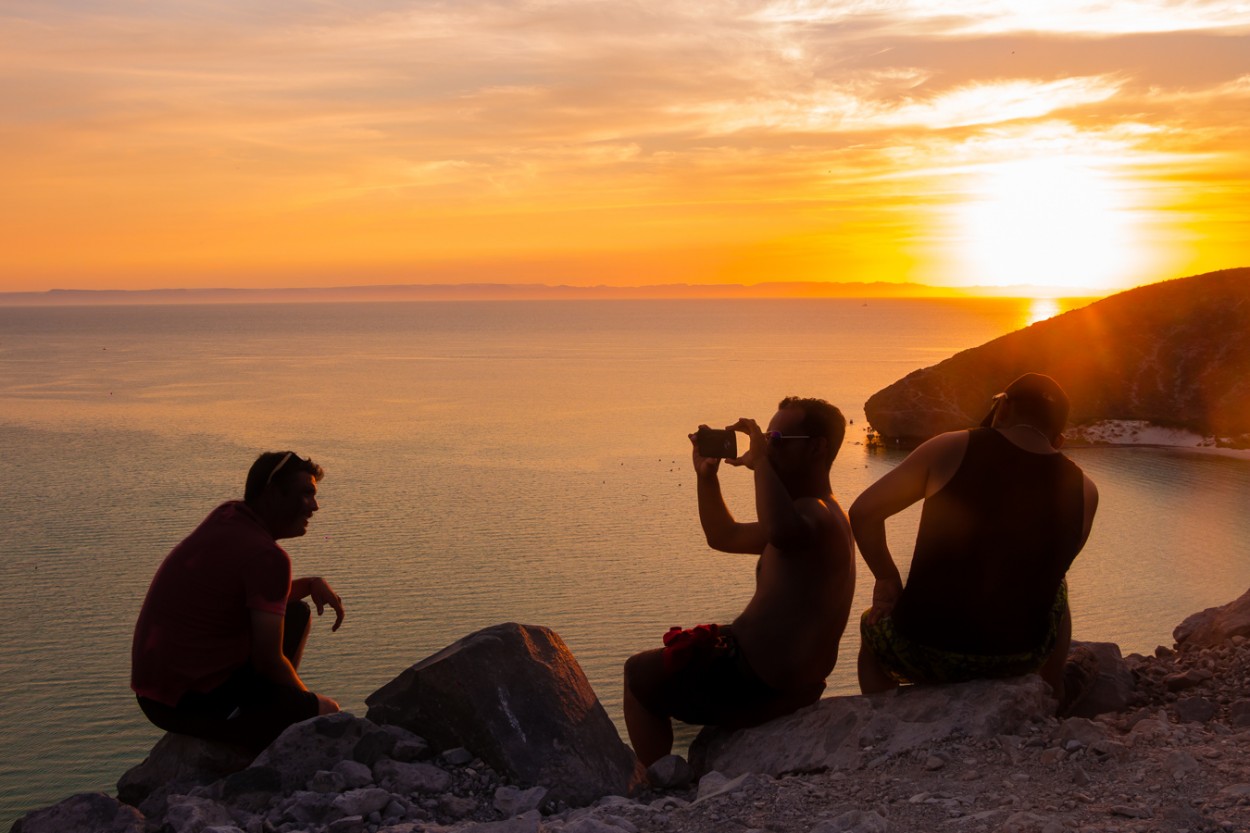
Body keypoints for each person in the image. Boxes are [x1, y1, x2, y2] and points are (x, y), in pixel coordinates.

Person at [623, 397, 855, 766]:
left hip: (758, 682)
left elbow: (779, 530)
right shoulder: (816, 513)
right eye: (764, 437)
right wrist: (706, 477)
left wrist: (761, 462)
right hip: (781, 678)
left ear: (817, 447)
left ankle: (655, 783)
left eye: (776, 438)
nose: (764, 445)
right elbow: (724, 536)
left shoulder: (814, 513)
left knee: (638, 674)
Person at [851, 373, 1099, 705]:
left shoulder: (953, 446)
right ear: (1060, 439)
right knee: (1059, 587)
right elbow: (1051, 569)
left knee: (871, 630)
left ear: (1004, 408)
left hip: (922, 651)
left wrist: (886, 578)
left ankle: (883, 721)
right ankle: (1054, 689)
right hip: (1019, 658)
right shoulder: (1085, 490)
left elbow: (863, 512)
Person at [131, 451, 345, 752]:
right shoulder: (267, 556)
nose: (315, 506)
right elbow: (268, 661)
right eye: (305, 494)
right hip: (190, 703)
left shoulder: (229, 516)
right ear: (272, 494)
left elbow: (237, 594)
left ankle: (267, 710)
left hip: (156, 696)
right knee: (329, 713)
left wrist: (310, 584)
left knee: (295, 612)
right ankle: (269, 727)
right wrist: (304, 706)